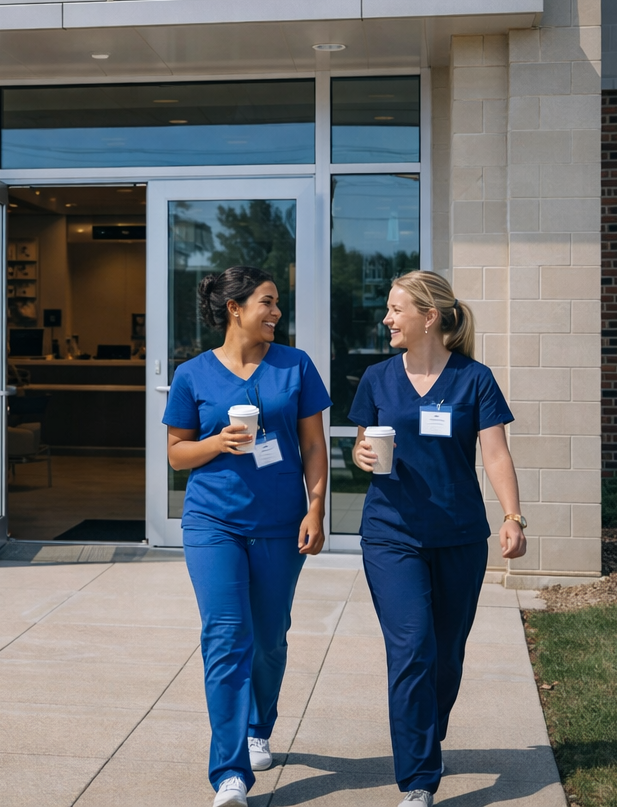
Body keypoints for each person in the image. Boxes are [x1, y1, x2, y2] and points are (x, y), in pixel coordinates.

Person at [348, 270, 528, 807]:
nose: (387, 319)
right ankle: (419, 781)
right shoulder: (377, 377)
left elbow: (495, 453)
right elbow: (364, 443)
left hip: (459, 536)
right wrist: (360, 456)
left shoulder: (474, 379)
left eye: (396, 309)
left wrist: (514, 516)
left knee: (446, 655)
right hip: (390, 536)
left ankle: (428, 733)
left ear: (430, 317)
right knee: (412, 650)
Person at [163, 265, 331, 807]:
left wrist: (316, 508)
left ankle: (260, 726)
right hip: (213, 523)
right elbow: (176, 453)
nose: (277, 312)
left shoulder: (295, 366)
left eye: (277, 302)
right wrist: (217, 442)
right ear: (235, 308)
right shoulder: (193, 375)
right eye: (267, 301)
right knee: (226, 637)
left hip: (281, 524)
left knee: (269, 638)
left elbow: (312, 445)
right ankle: (230, 772)